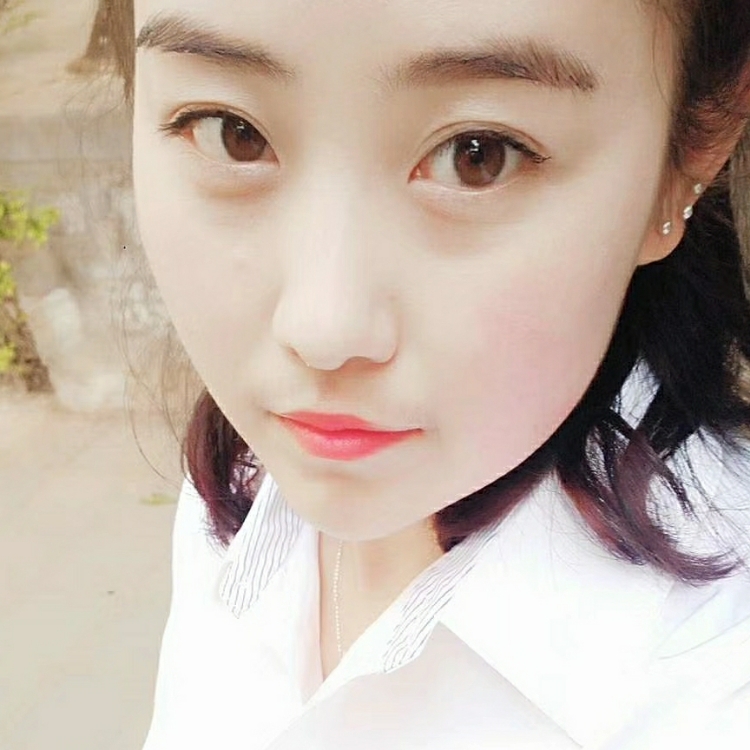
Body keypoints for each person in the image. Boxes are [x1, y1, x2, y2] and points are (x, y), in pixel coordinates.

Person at [109, 0, 750, 747]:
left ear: (691, 151)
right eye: (232, 133)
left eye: (480, 156)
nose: (323, 330)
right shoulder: (240, 484)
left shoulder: (711, 679)